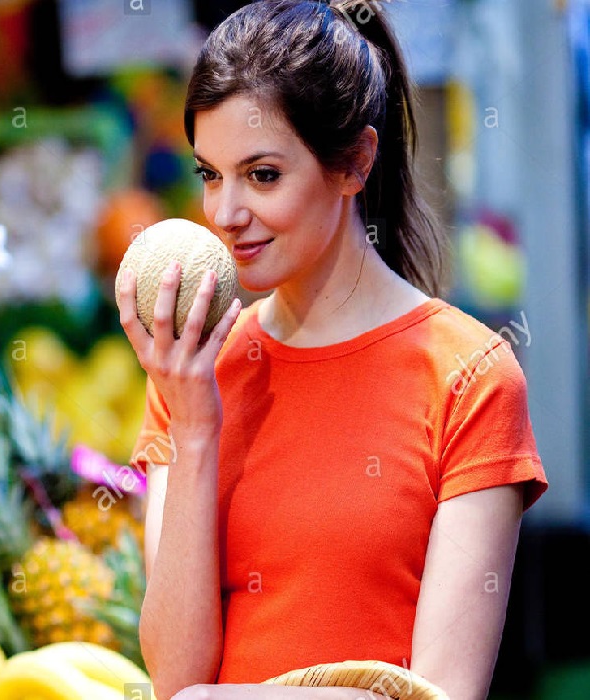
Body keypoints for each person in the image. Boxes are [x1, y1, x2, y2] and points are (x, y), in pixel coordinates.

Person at [118, 1, 549, 698]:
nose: (225, 214)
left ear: (355, 163)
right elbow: (177, 677)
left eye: (262, 175)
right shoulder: (192, 372)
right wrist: (194, 428)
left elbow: (443, 691)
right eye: (209, 174)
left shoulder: (470, 376)